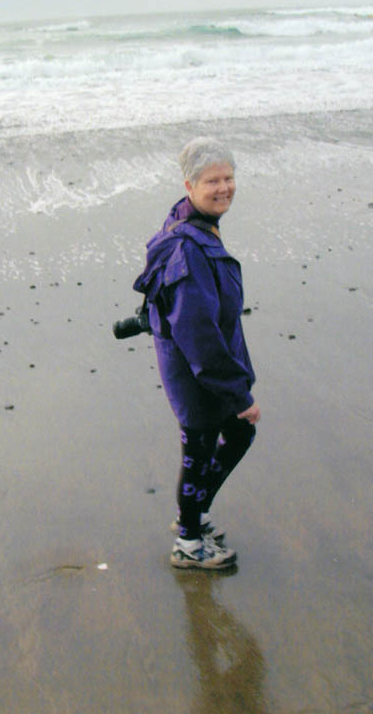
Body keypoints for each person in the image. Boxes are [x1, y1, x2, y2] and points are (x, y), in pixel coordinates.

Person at [133, 137, 260, 570]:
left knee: (235, 436)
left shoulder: (191, 220)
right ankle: (188, 542)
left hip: (205, 369)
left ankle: (193, 516)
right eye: (212, 181)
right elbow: (199, 337)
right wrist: (239, 394)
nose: (224, 187)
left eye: (229, 177)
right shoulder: (187, 247)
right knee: (201, 451)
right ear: (190, 185)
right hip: (196, 376)